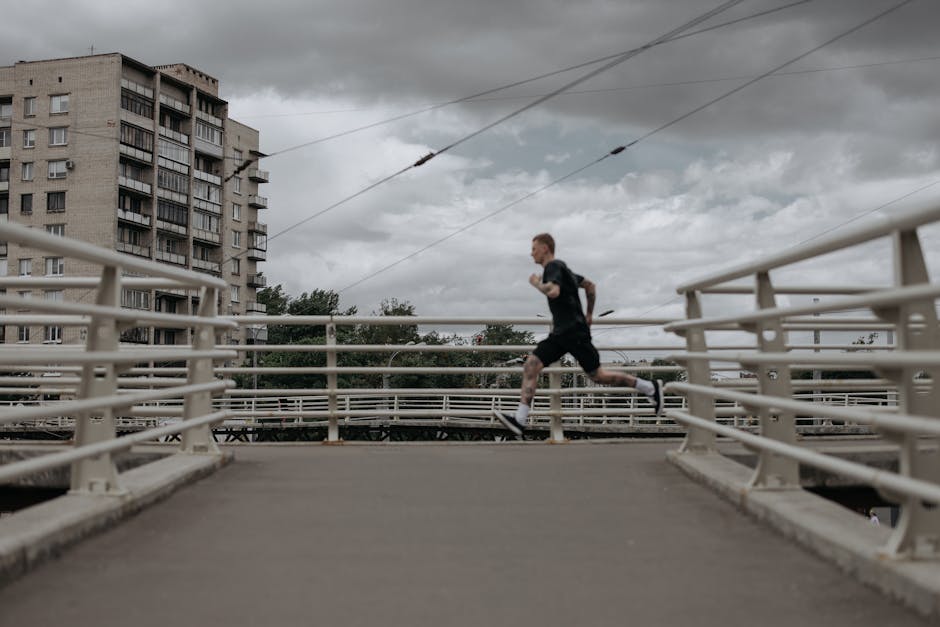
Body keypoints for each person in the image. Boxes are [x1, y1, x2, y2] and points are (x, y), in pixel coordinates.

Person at [494, 233, 663, 437]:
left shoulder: (552, 267)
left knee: (590, 374)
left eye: (534, 249)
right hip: (565, 332)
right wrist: (589, 314)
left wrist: (537, 283)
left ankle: (650, 388)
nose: (531, 254)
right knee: (539, 367)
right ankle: (520, 420)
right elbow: (590, 286)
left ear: (545, 248)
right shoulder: (565, 270)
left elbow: (553, 291)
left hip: (571, 333)